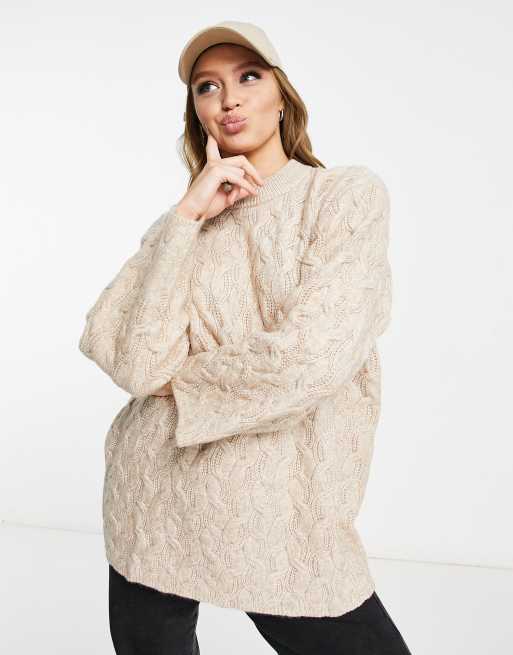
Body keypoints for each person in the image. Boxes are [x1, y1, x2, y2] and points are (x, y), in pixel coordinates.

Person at [79, 19, 412, 655]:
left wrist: (179, 385)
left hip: (280, 508)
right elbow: (130, 357)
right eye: (207, 86)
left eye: (248, 77)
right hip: (152, 497)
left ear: (282, 96)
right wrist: (187, 215)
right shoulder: (185, 222)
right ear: (197, 113)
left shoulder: (341, 195)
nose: (228, 98)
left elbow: (314, 356)